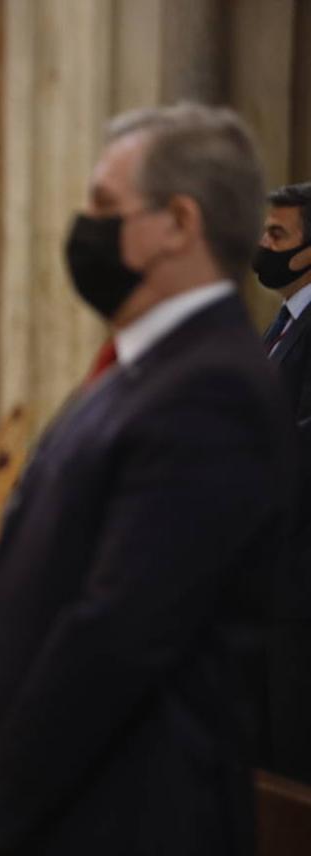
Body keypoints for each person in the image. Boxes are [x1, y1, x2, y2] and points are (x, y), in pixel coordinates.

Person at [0, 103, 294, 856]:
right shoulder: (133, 369)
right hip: (77, 816)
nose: (82, 229)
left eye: (103, 206)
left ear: (177, 222)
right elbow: (26, 579)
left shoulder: (212, 388)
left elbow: (120, 627)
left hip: (138, 833)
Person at [253, 181, 311, 784]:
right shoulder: (285, 321)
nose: (263, 245)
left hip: (298, 583)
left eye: (278, 235)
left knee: (292, 756)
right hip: (266, 578)